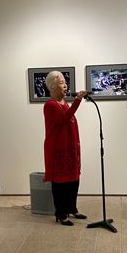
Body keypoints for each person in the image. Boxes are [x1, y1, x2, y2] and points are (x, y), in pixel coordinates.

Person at [43, 71, 87, 226]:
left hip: (71, 149)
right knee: (61, 184)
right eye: (61, 82)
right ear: (52, 87)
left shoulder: (64, 104)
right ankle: (61, 213)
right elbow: (63, 119)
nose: (65, 85)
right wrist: (77, 101)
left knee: (74, 180)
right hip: (59, 151)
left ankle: (72, 208)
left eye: (64, 82)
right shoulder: (50, 105)